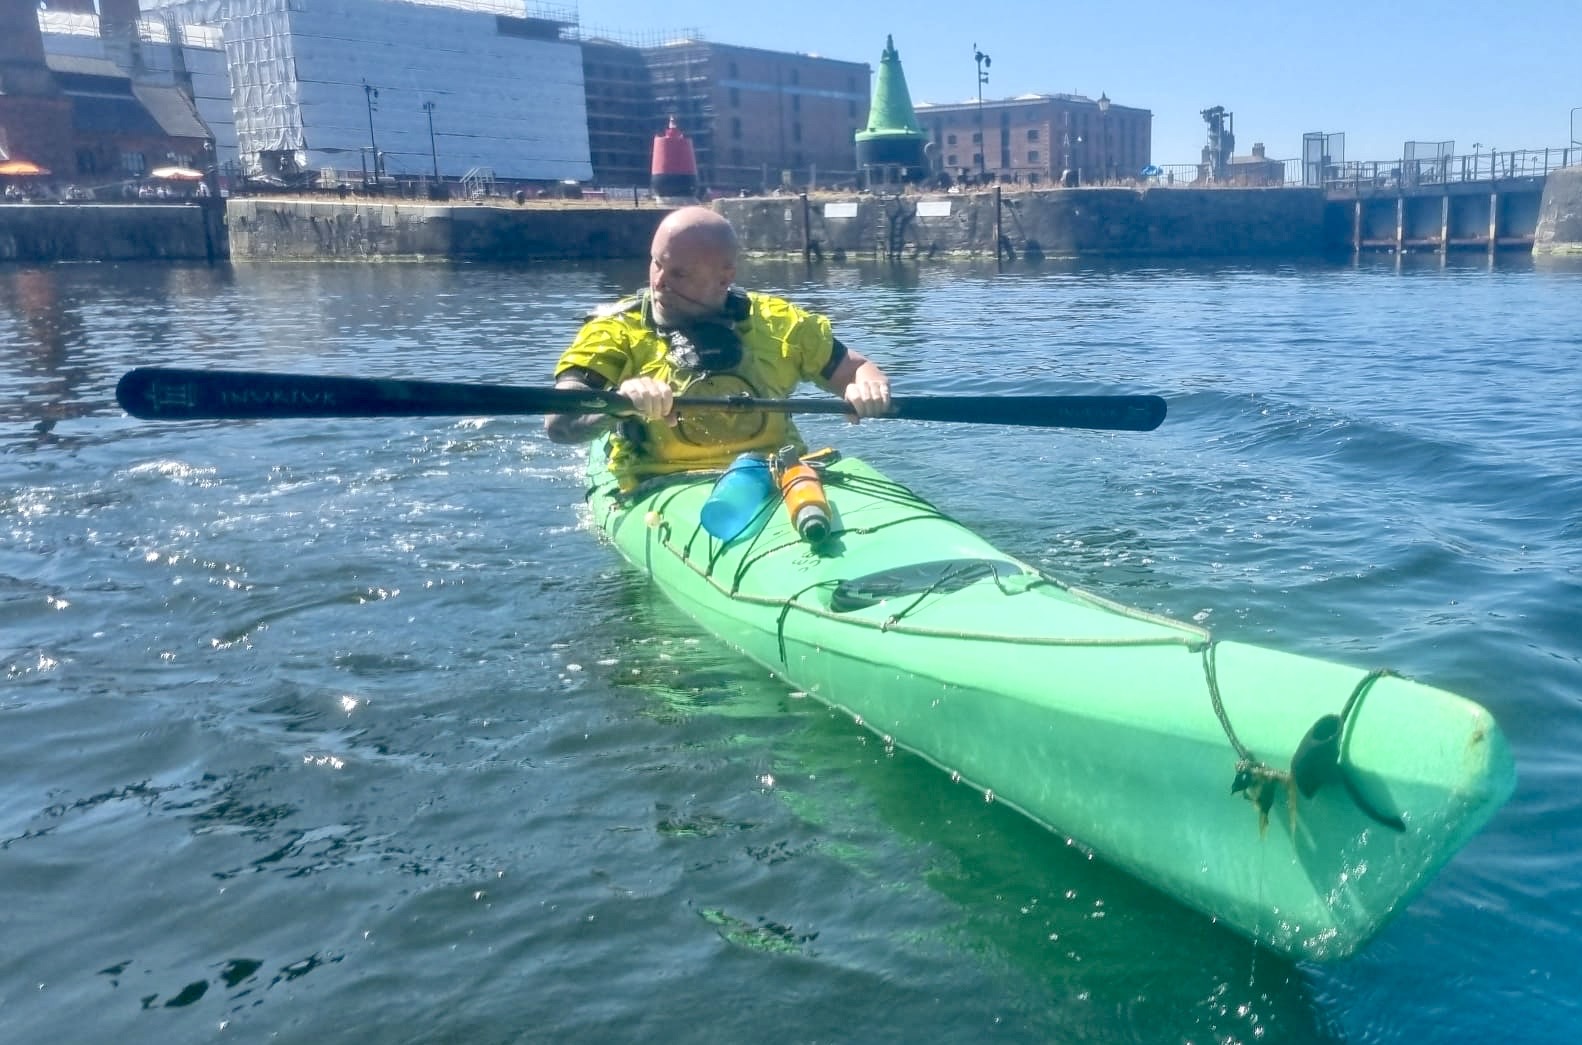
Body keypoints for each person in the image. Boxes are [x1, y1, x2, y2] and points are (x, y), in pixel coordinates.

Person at [545, 206, 891, 490]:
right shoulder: (615, 328)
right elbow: (559, 422)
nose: (658, 282)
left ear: (725, 278)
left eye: (678, 274)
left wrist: (866, 387)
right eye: (656, 263)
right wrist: (619, 405)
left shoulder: (779, 323)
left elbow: (854, 368)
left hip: (777, 475)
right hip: (659, 483)